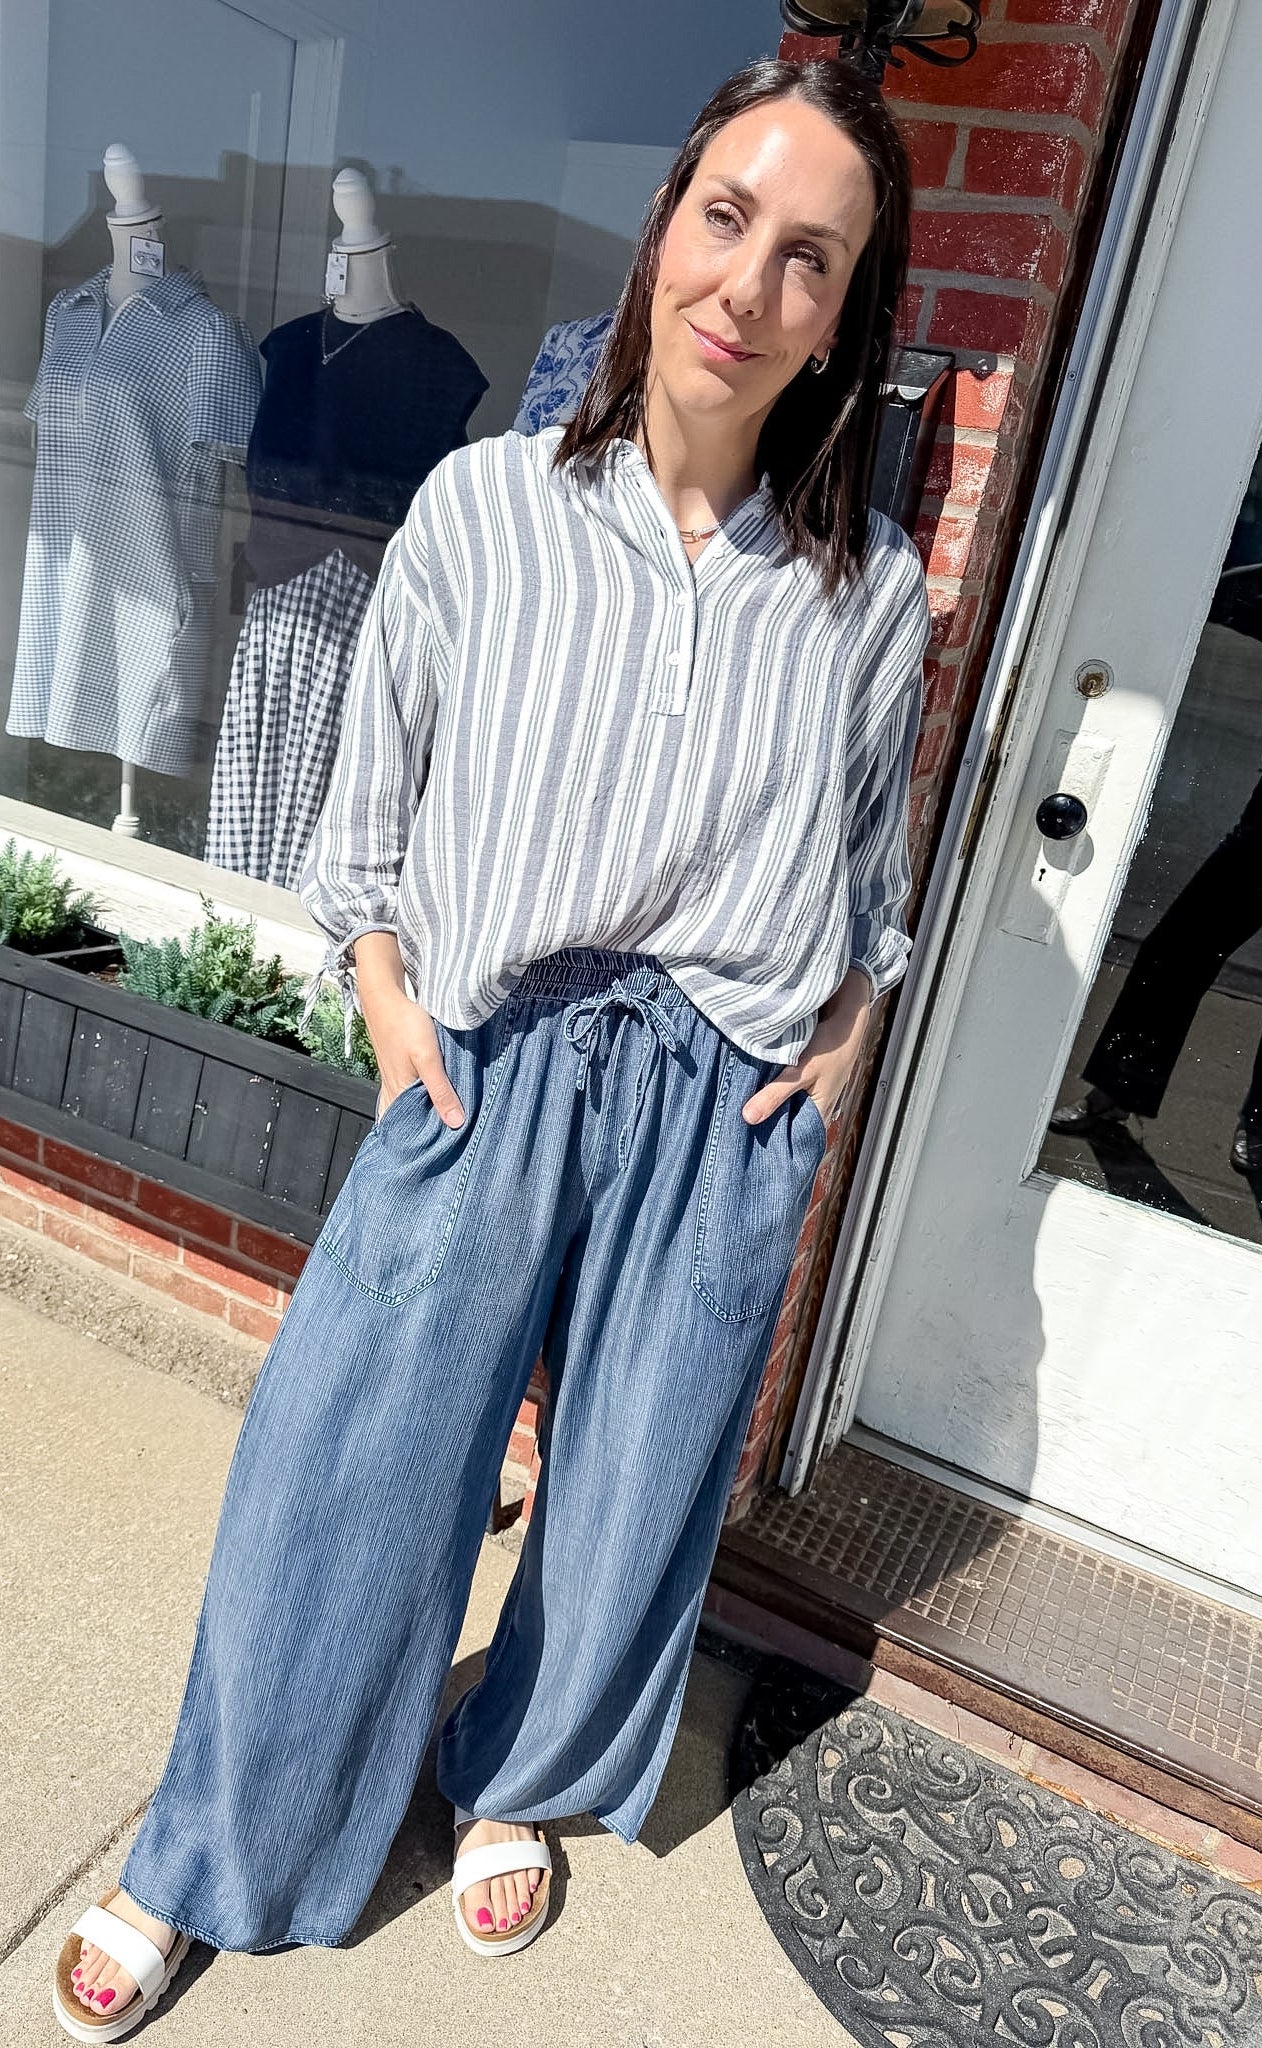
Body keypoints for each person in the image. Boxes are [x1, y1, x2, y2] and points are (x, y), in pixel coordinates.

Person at [53, 52, 933, 2038]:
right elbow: (362, 830)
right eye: (725, 217)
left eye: (811, 257)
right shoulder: (479, 511)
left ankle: (519, 1771)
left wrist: (851, 1038)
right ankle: (219, 1843)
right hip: (494, 1045)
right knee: (344, 1463)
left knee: (627, 1486)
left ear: (840, 313)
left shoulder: (861, 593)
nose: (750, 282)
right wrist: (392, 1012)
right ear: (661, 232)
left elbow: (872, 857)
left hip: (724, 1080)